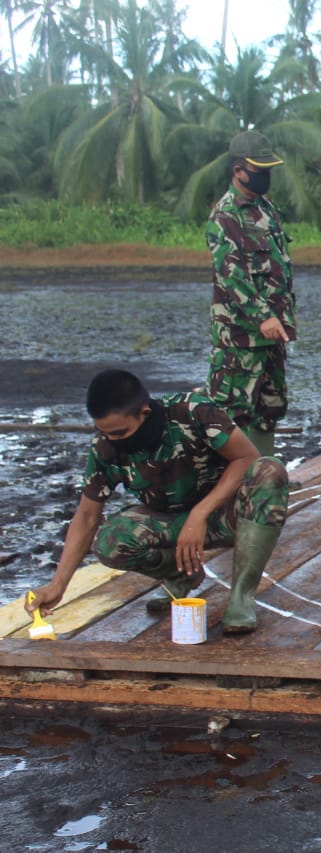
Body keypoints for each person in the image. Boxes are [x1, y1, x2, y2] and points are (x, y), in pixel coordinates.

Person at [25, 370, 289, 635]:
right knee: (110, 541)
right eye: (104, 432)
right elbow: (86, 516)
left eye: (119, 432)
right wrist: (58, 585)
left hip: (225, 516)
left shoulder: (192, 411)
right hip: (170, 524)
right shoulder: (105, 447)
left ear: (145, 412)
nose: (113, 440)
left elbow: (246, 458)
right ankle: (180, 575)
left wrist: (199, 514)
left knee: (270, 470)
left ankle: (241, 597)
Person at [206, 129, 296, 458]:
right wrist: (262, 317)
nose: (265, 177)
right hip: (240, 336)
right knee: (232, 409)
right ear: (238, 171)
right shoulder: (225, 215)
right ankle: (233, 479)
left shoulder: (266, 209)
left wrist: (280, 319)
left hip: (274, 332)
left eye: (268, 171)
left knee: (271, 405)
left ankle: (265, 474)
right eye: (259, 171)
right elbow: (233, 276)